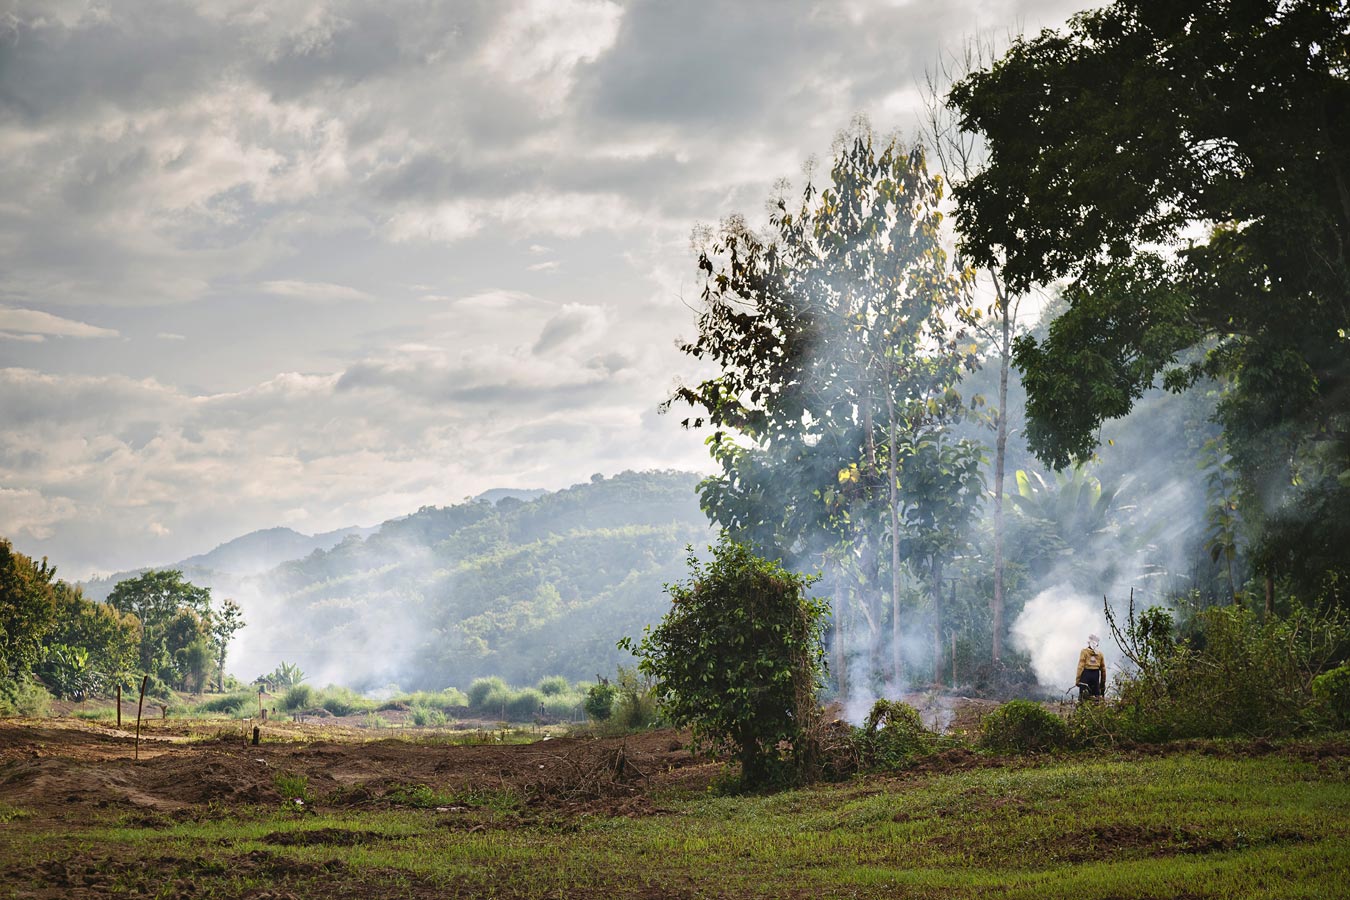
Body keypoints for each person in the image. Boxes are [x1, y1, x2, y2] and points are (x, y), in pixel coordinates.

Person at [1075, 634, 1107, 699]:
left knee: (1083, 698)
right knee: (1095, 698)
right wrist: (1102, 684)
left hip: (1086, 675)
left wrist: (1078, 680)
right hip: (1096, 675)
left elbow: (1080, 667)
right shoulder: (1100, 654)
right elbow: (1103, 670)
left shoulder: (1084, 652)